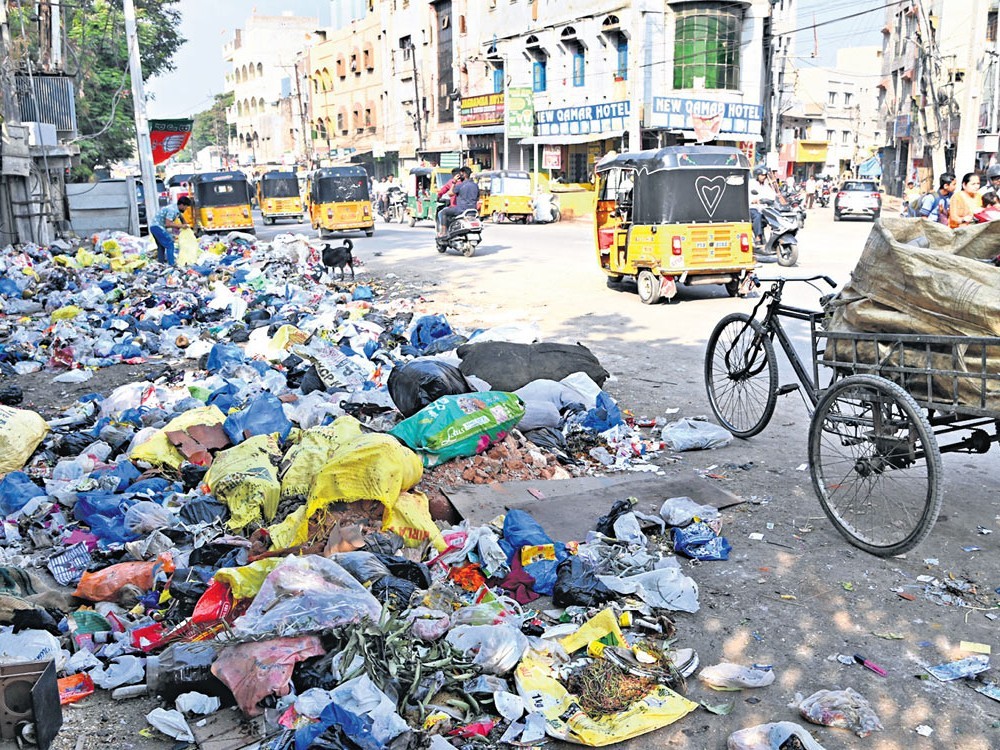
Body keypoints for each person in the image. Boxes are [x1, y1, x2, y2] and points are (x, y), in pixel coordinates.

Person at [150, 196, 192, 265]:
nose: (186, 209)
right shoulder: (172, 210)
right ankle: (171, 264)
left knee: (161, 246)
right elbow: (168, 224)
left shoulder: (176, 208)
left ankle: (161, 263)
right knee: (170, 244)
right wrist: (181, 226)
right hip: (158, 227)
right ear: (181, 205)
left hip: (154, 227)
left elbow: (181, 217)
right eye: (186, 207)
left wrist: (186, 226)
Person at [438, 166, 480, 235]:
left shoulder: (460, 185)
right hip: (473, 210)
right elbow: (477, 198)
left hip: (461, 210)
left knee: (444, 212)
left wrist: (454, 182)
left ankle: (443, 232)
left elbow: (450, 194)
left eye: (460, 174)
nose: (460, 176)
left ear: (464, 174)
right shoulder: (475, 185)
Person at [748, 166, 776, 245]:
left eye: (765, 175)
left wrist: (772, 199)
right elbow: (748, 195)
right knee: (757, 216)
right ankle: (758, 236)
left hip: (762, 208)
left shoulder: (765, 185)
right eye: (762, 175)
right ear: (757, 175)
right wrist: (754, 200)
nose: (764, 177)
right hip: (751, 208)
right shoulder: (751, 183)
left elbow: (772, 195)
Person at [435, 168, 462, 233]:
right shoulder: (468, 182)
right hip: (468, 208)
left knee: (441, 213)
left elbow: (443, 190)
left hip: (455, 207)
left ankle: (443, 232)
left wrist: (438, 197)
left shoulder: (452, 182)